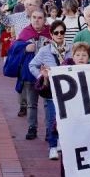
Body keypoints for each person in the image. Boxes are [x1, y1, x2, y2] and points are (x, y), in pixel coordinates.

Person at [55, 42, 90, 177]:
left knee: (87, 155)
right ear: (72, 56)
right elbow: (45, 90)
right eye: (78, 55)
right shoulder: (63, 71)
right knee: (68, 153)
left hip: (87, 121)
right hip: (69, 122)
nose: (81, 58)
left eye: (84, 55)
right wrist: (45, 77)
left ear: (89, 58)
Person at [30, 21, 70, 160]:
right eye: (56, 32)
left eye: (62, 32)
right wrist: (41, 76)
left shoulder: (71, 49)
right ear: (51, 34)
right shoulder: (45, 50)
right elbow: (32, 65)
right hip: (51, 91)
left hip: (68, 91)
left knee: (65, 118)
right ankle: (52, 147)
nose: (59, 35)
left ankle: (60, 141)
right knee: (52, 119)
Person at [9, 9, 51, 139]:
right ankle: (32, 128)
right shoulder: (25, 32)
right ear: (30, 19)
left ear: (44, 19)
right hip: (29, 74)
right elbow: (14, 48)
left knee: (48, 103)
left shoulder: (51, 32)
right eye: (34, 17)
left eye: (40, 18)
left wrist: (52, 45)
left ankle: (49, 129)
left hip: (47, 74)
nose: (37, 20)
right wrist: (25, 48)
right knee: (31, 104)